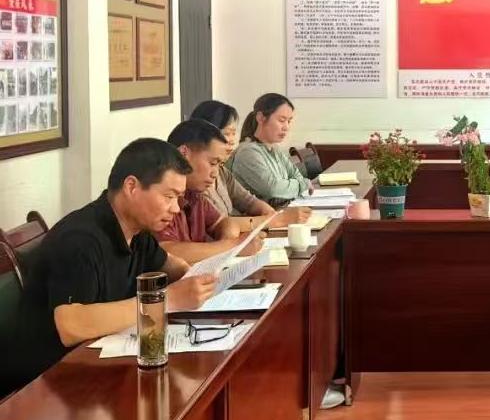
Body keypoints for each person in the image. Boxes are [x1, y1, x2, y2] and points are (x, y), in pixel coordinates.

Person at [6, 139, 218, 393]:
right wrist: (167, 300)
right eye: (169, 196)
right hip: (47, 384)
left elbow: (175, 268)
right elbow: (71, 325)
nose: (175, 208)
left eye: (178, 198)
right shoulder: (80, 240)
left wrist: (204, 277)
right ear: (132, 187)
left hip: (99, 364)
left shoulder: (138, 232)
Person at [190, 100, 311, 229]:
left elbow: (249, 201)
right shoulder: (196, 181)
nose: (232, 141)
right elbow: (223, 225)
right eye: (226, 134)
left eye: (233, 133)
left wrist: (272, 215)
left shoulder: (222, 171)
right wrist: (277, 220)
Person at [157, 120, 264, 264]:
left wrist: (225, 242)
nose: (215, 173)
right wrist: (232, 246)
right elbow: (165, 252)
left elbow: (224, 223)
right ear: (183, 153)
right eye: (213, 163)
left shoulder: (194, 196)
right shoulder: (158, 193)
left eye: (219, 165)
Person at [229, 93, 312, 205]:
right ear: (261, 118)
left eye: (289, 121)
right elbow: (273, 189)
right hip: (260, 215)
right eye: (281, 120)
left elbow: (297, 175)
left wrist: (293, 185)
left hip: (280, 209)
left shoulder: (274, 148)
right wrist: (303, 184)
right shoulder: (247, 152)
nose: (286, 127)